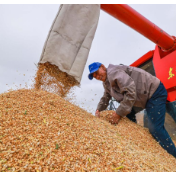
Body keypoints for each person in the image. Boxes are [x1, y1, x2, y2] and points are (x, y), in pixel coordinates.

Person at [88, 62, 176, 158]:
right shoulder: (106, 82)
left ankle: (172, 155)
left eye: (96, 72)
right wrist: (98, 110)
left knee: (155, 128)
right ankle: (140, 146)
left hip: (154, 92)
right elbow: (106, 97)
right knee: (127, 118)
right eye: (94, 76)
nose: (96, 76)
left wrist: (118, 113)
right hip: (141, 97)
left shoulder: (114, 73)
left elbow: (131, 91)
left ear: (103, 67)